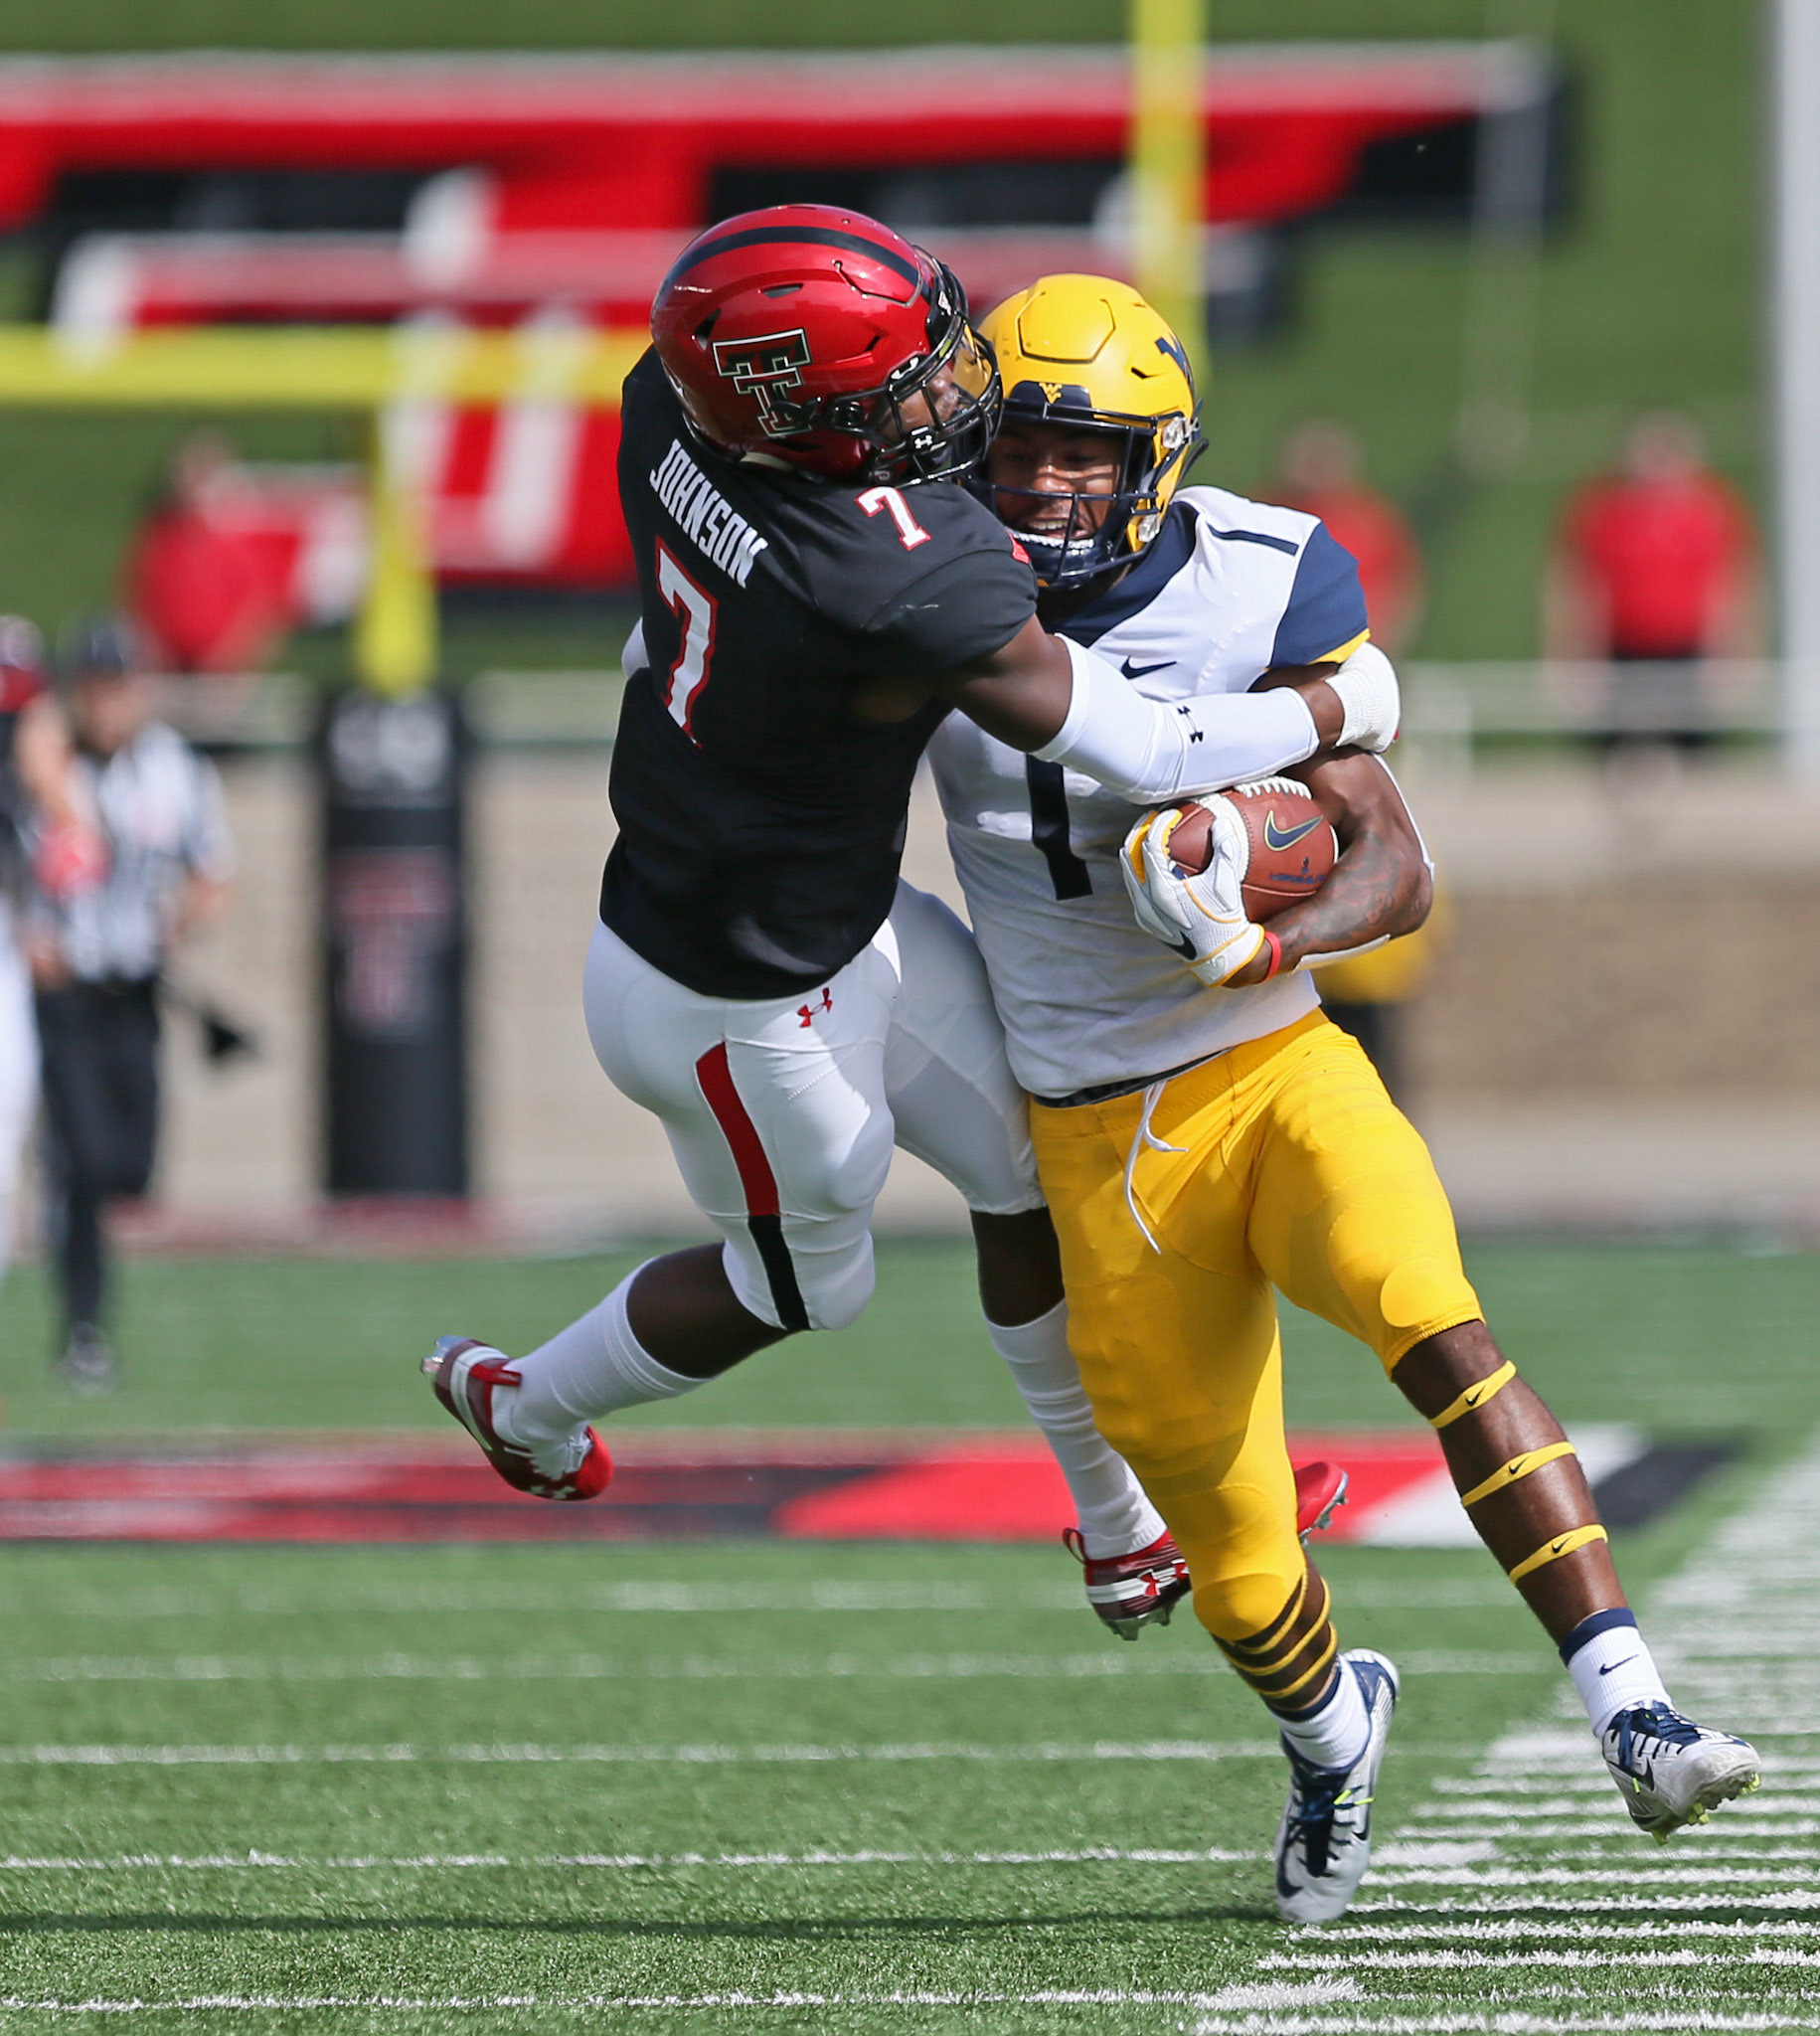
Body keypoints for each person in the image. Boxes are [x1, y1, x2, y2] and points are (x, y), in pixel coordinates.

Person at [422, 206, 1401, 1633]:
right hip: (730, 1001)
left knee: (1023, 1174)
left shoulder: (672, 405)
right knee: (803, 1286)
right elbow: (1130, 746)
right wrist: (1339, 704)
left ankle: (1120, 1529)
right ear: (798, 416)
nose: (950, 397)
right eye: (905, 385)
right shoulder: (884, 568)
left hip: (819, 909)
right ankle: (528, 1403)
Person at [929, 272, 1759, 1923]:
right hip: (1098, 1131)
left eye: (1082, 454)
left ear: (1156, 459)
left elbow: (1395, 855)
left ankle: (1631, 1701)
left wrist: (1267, 933)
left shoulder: (1262, 569)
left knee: (1437, 1320)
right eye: (1017, 444)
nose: (1039, 485)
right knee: (1238, 1566)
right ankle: (1330, 1744)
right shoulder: (921, 574)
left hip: (1277, 1061)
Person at [24, 614, 235, 1389]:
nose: (110, 705)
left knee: (130, 1166)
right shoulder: (44, 761)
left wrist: (188, 917)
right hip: (64, 990)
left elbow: (212, 869)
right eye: (97, 689)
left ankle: (72, 1210)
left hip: (137, 990)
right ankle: (83, 1327)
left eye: (122, 688)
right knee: (81, 1163)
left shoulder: (174, 770)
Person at [1543, 412, 1762, 752]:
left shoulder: (1712, 509)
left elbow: (1731, 587)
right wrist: (1576, 656)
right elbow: (1579, 588)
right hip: (1623, 651)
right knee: (1616, 756)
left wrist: (1731, 657)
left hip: (1688, 652)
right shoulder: (1603, 509)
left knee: (1694, 758)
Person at [1272, 420, 1424, 655]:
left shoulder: (1371, 519)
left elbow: (1403, 584)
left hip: (1355, 648)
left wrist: (1381, 644)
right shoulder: (1267, 514)